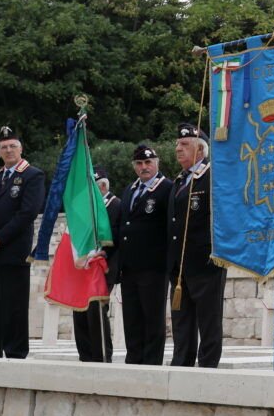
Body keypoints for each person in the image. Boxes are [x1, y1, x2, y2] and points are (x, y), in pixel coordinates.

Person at [0, 126, 46, 359]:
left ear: (21, 148)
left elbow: (27, 213)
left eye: (13, 146)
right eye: (4, 147)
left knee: (13, 305)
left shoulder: (33, 175)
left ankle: (15, 352)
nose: (8, 150)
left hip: (13, 250)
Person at [167, 124, 225, 368]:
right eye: (178, 145)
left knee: (208, 320)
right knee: (181, 320)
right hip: (180, 265)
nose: (178, 149)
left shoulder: (213, 177)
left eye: (185, 145)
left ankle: (208, 367)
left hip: (205, 262)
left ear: (200, 150)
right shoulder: (179, 179)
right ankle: (181, 363)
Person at [117, 144, 172, 365]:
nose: (144, 167)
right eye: (139, 163)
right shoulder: (130, 190)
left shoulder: (167, 188)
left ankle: (151, 364)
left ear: (156, 163)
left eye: (148, 162)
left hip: (153, 267)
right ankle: (134, 361)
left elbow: (170, 227)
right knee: (132, 319)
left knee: (152, 320)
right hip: (129, 268)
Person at [71, 167, 121, 362]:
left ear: (101, 186)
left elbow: (116, 234)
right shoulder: (84, 209)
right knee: (80, 311)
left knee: (96, 312)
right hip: (83, 267)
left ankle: (101, 356)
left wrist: (103, 252)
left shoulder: (115, 205)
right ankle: (85, 355)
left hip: (103, 266)